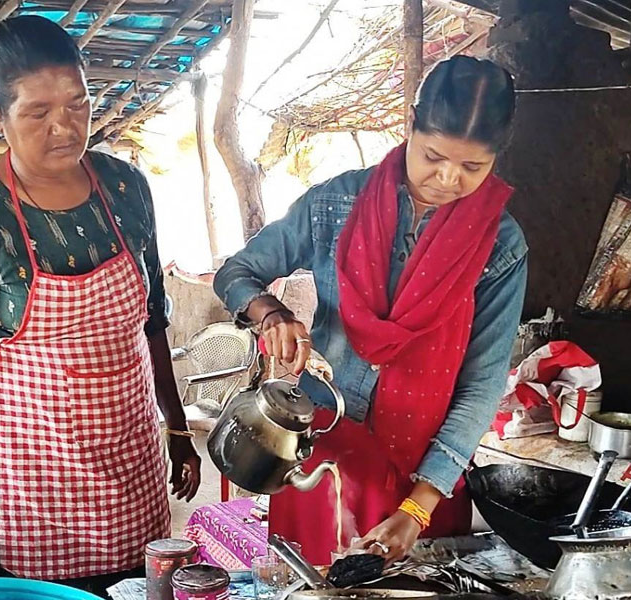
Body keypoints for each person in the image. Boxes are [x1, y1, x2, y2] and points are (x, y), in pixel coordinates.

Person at [0, 16, 200, 597]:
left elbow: (152, 321)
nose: (65, 128)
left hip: (131, 452)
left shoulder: (126, 189)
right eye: (37, 113)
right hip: (31, 479)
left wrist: (176, 427)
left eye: (78, 104)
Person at [213, 56, 528, 566]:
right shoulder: (336, 205)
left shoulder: (499, 247)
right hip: (322, 453)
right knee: (307, 583)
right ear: (411, 123)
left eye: (473, 167)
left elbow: (482, 383)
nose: (448, 179)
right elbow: (237, 272)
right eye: (433, 156)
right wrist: (269, 313)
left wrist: (418, 508)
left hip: (424, 470)